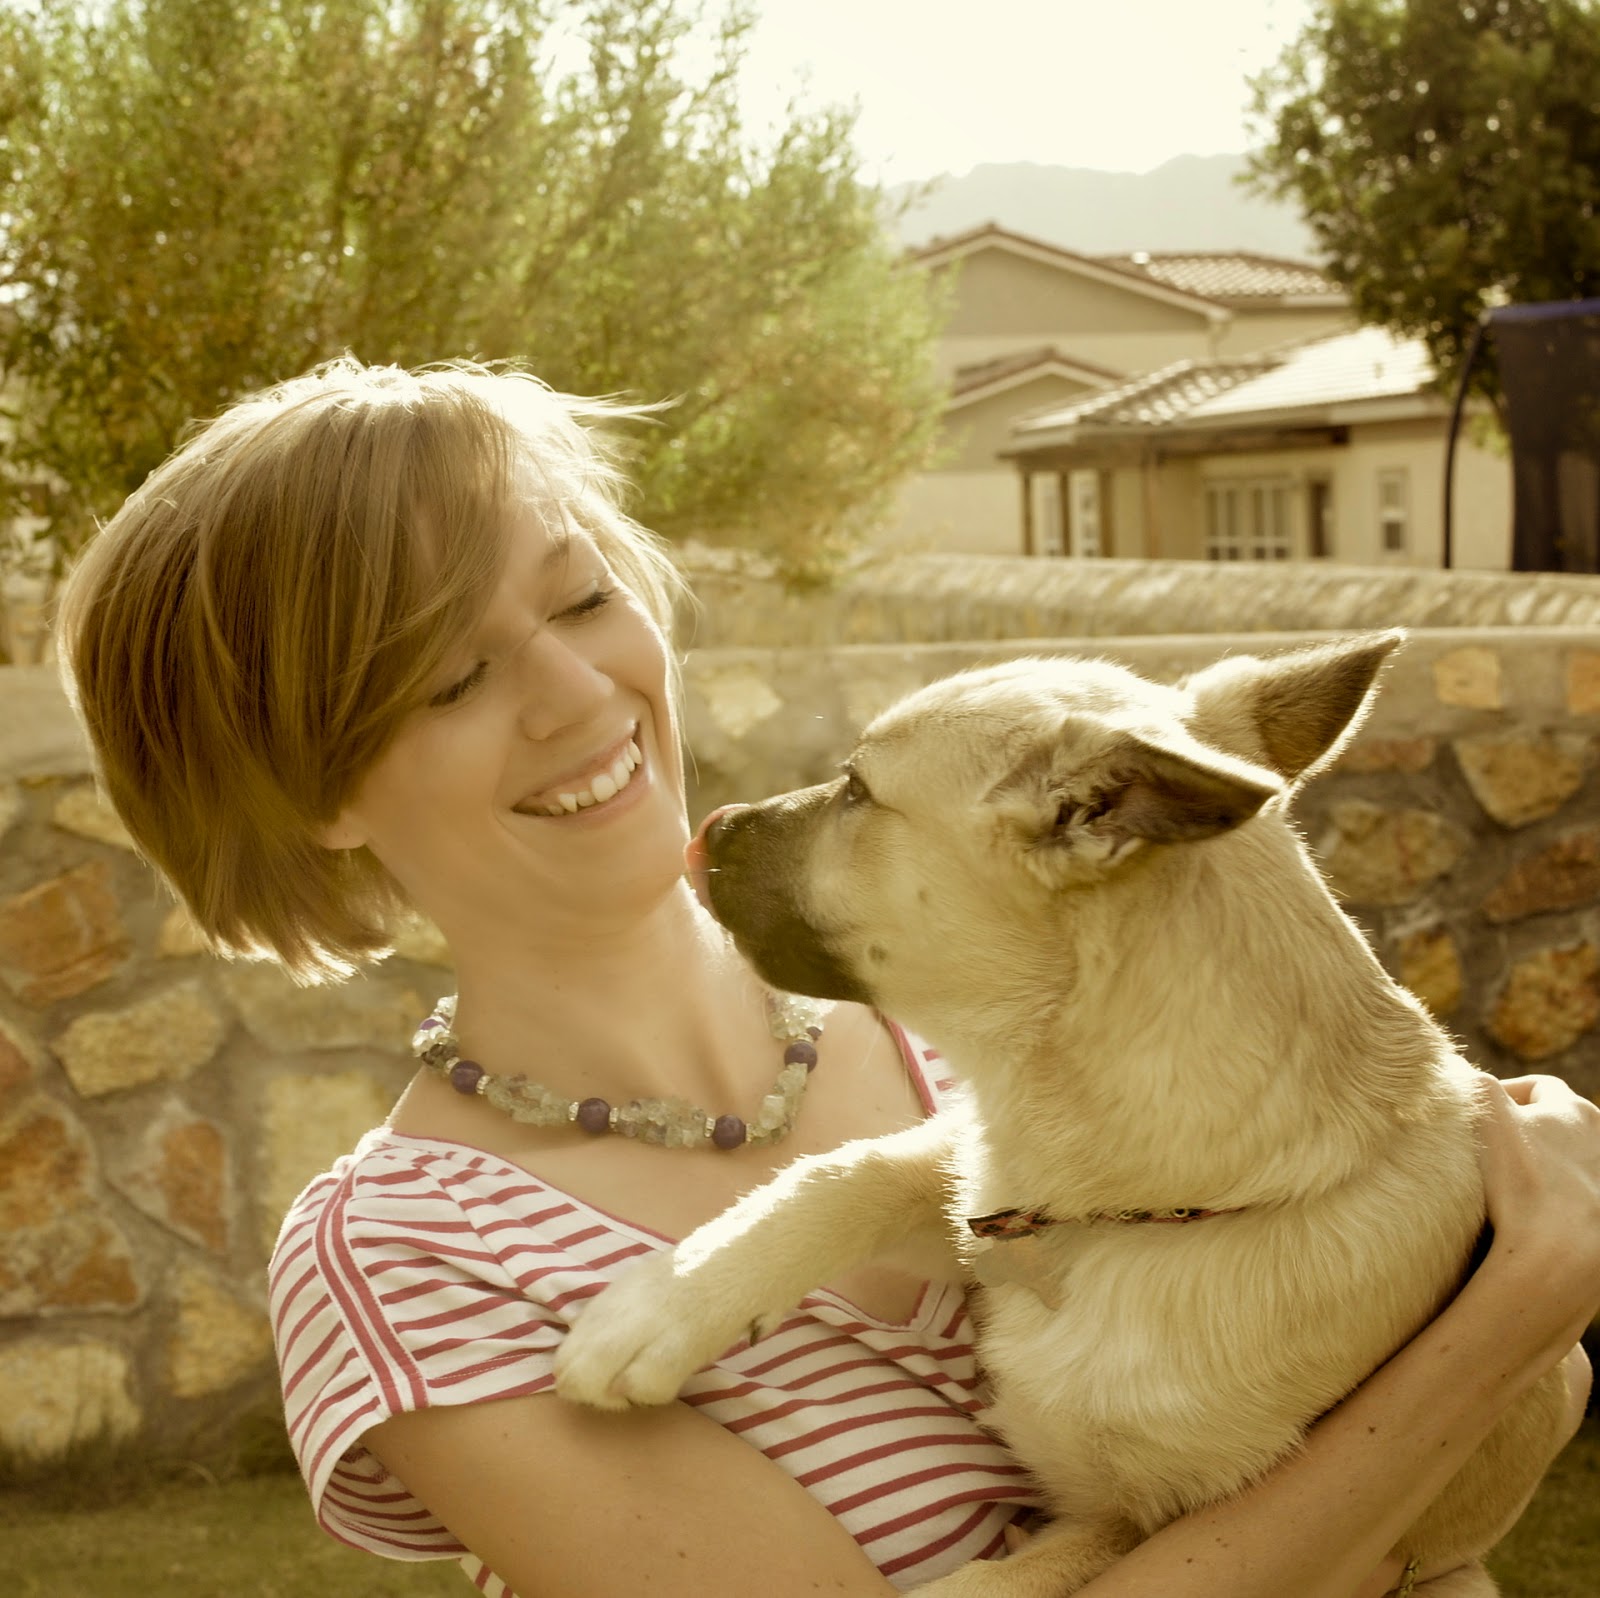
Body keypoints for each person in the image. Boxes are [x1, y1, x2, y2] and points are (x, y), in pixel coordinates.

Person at [57, 356, 1600, 1598]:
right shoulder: (411, 1255)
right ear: (309, 791)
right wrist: (1506, 1322)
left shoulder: (1003, 989)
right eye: (453, 674)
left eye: (582, 597)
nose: (580, 691)